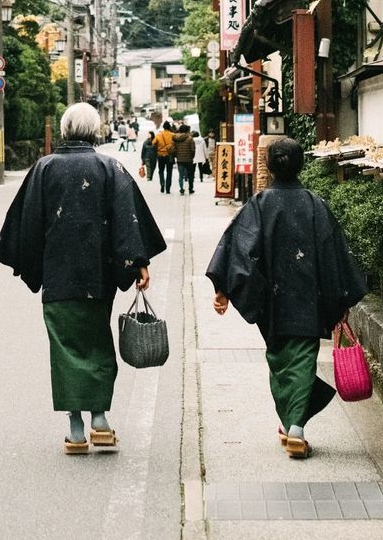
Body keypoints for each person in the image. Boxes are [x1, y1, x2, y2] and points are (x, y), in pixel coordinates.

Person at [0, 102, 166, 455]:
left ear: (65, 129)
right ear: (95, 131)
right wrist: (138, 264)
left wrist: (31, 264)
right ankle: (100, 420)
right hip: (98, 276)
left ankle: (75, 429)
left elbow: (28, 223)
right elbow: (126, 220)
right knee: (98, 342)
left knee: (65, 349)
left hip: (58, 276)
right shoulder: (109, 168)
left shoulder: (44, 168)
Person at [206, 137, 367, 460]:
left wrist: (224, 288)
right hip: (308, 299)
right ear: (300, 165)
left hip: (272, 302)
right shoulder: (314, 204)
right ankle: (293, 426)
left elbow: (240, 249)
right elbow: (332, 253)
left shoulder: (260, 204)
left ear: (268, 166)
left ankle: (294, 426)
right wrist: (342, 299)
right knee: (302, 361)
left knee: (281, 362)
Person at [152, 120, 176, 194]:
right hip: (169, 155)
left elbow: (153, 143)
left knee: (161, 171)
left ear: (163, 127)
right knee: (169, 172)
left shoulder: (159, 135)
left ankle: (162, 183)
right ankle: (168, 188)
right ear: (169, 127)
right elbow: (175, 144)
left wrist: (158, 148)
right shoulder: (173, 135)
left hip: (160, 155)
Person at [172, 123, 196, 195]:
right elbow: (193, 150)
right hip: (189, 160)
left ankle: (181, 188)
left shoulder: (176, 139)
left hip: (180, 160)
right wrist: (192, 157)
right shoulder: (190, 138)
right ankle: (190, 188)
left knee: (181, 175)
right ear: (187, 130)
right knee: (190, 175)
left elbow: (174, 149)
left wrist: (177, 156)